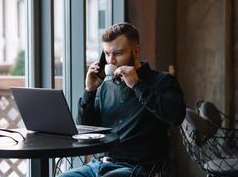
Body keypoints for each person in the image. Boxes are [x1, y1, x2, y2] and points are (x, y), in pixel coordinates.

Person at [59, 22, 186, 177]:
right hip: (100, 164)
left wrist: (137, 85)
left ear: (136, 51)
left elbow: (176, 116)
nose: (111, 61)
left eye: (118, 54)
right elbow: (86, 128)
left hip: (138, 169)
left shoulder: (162, 81)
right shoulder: (106, 87)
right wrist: (90, 91)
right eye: (106, 54)